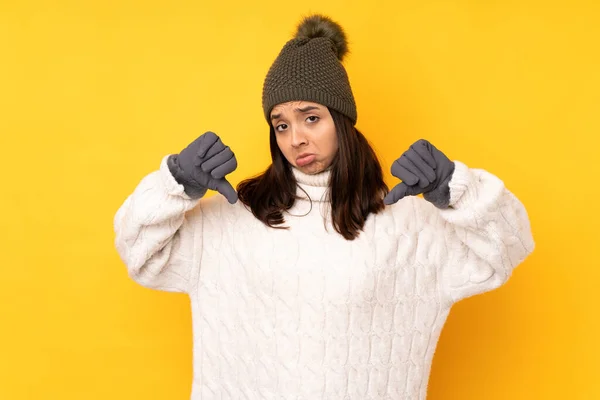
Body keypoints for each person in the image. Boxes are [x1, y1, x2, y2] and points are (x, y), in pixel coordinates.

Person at [114, 14, 535, 400]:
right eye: (281, 124)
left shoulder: (410, 228)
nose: (295, 137)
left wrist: (454, 187)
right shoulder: (230, 222)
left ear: (342, 121)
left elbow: (507, 249)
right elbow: (140, 256)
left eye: (310, 117)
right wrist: (175, 182)